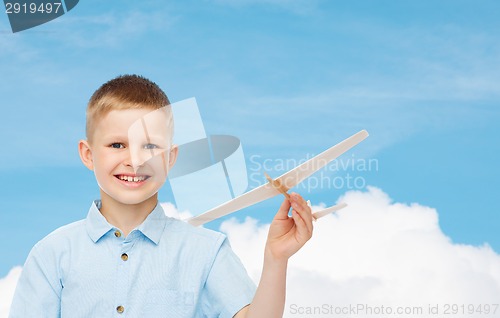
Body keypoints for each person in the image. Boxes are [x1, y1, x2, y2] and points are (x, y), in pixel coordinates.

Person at [9, 75, 314, 318]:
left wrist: (276, 258)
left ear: (170, 157)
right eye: (117, 145)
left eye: (151, 146)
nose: (135, 160)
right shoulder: (52, 254)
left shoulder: (206, 252)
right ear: (88, 154)